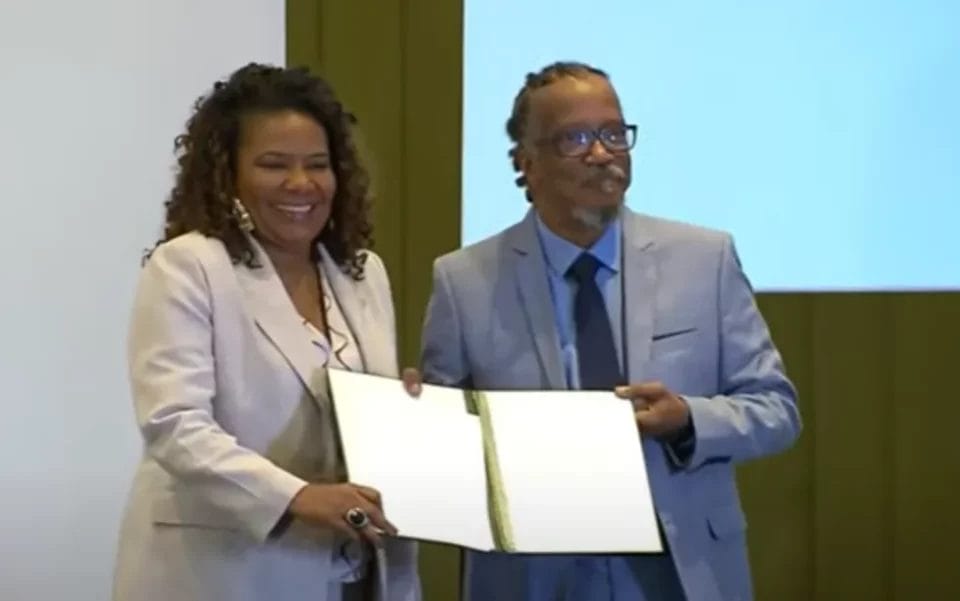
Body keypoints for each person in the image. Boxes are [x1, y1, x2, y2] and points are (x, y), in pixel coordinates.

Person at [420, 61, 802, 600]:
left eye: (614, 134)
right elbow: (446, 449)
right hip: (531, 577)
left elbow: (776, 410)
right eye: (575, 138)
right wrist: (415, 420)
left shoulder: (704, 260)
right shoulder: (464, 281)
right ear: (526, 162)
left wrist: (687, 420)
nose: (602, 154)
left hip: (682, 571)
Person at [112, 63, 421, 601]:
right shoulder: (189, 266)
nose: (301, 183)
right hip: (226, 573)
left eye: (318, 165)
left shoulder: (362, 272)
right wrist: (297, 496)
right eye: (274, 165)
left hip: (355, 571)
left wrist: (408, 407)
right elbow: (175, 425)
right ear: (227, 175)